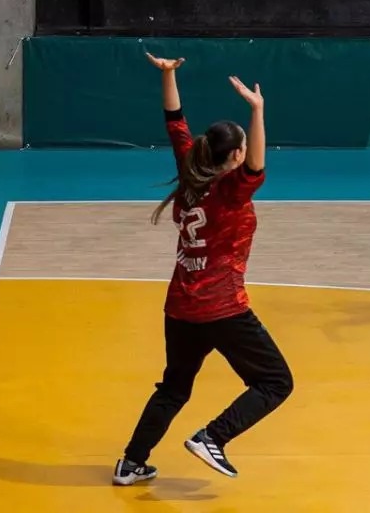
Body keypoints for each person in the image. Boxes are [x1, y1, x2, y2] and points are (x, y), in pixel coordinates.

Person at [113, 53, 294, 486]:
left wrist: (169, 75)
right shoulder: (231, 191)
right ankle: (212, 436)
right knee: (275, 382)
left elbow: (174, 121)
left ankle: (131, 463)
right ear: (234, 154)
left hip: (180, 308)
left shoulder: (190, 171)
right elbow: (257, 167)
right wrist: (258, 110)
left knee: (174, 388)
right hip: (223, 309)